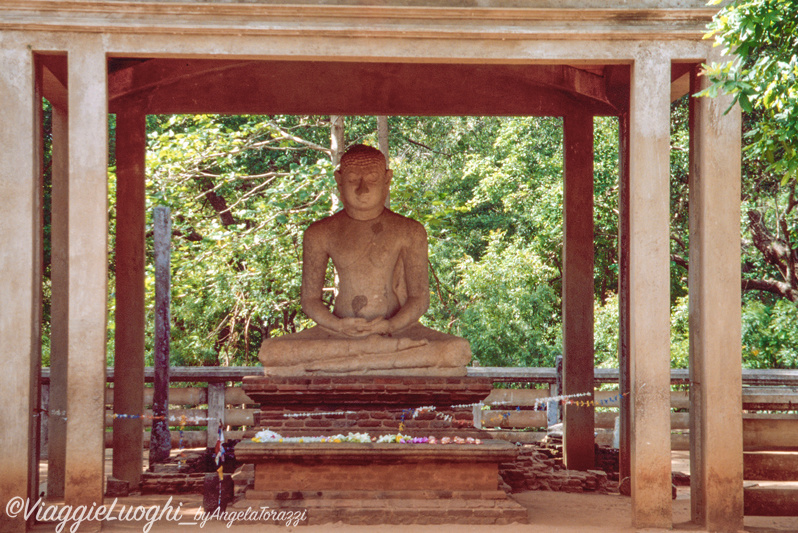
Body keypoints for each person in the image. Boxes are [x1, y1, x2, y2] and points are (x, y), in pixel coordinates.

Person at [258, 144, 471, 375]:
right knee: (273, 352)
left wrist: (390, 326)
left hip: (396, 333)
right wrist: (338, 325)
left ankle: (349, 361)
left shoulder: (409, 231)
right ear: (339, 181)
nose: (362, 189)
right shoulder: (320, 232)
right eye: (352, 181)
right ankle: (376, 356)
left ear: (387, 180)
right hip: (338, 335)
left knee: (455, 350)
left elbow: (419, 299)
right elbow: (310, 300)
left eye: (372, 179)